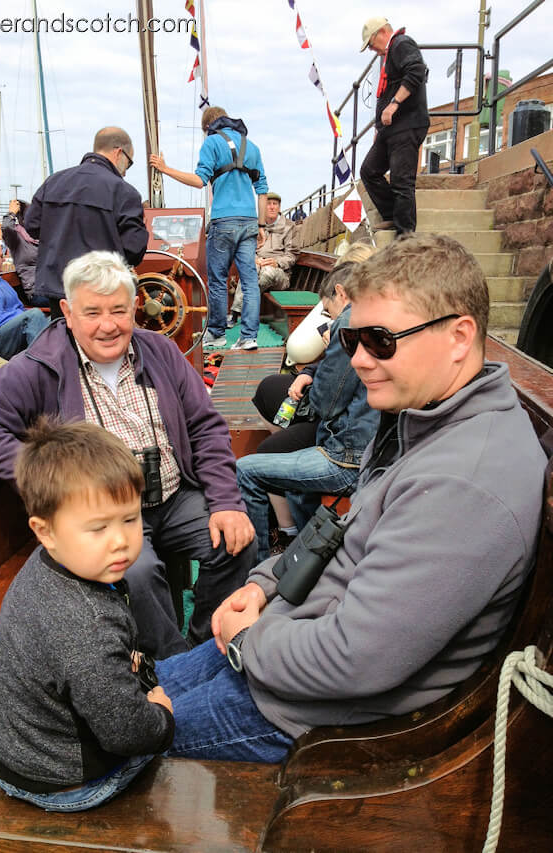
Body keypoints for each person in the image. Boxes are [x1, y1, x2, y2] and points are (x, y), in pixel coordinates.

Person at [148, 232, 547, 763]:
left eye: (380, 340)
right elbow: (339, 531)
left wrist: (249, 641)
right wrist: (266, 585)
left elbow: (356, 659)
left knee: (102, 742)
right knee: (124, 695)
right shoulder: (423, 419)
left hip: (307, 712)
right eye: (351, 339)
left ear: (459, 336)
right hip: (288, 646)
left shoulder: (464, 483)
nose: (358, 359)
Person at [0, 250, 257, 660]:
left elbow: (205, 426)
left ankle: (204, 646)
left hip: (175, 496)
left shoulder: (159, 351)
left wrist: (226, 503)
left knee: (237, 541)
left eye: (118, 311)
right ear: (68, 313)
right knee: (136, 572)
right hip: (105, 514)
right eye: (92, 313)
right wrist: (51, 469)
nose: (108, 326)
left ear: (136, 307)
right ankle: (171, 663)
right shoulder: (39, 365)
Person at [0, 418, 174, 812]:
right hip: (68, 781)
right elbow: (127, 733)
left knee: (198, 671)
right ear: (45, 530)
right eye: (98, 528)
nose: (120, 540)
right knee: (202, 712)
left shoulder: (51, 563)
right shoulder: (85, 622)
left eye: (130, 519)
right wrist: (163, 719)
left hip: (23, 752)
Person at [236, 246, 378, 561]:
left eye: (328, 310)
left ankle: (259, 566)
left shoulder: (348, 324)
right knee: (296, 486)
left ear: (341, 293)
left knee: (246, 469)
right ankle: (305, 554)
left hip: (346, 459)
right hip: (364, 449)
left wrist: (330, 351)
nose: (329, 317)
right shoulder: (378, 316)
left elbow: (326, 404)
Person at [150, 106, 268, 351]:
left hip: (224, 221)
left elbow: (199, 180)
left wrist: (165, 169)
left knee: (217, 281)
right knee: (250, 282)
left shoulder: (212, 142)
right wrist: (262, 225)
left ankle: (216, 334)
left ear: (207, 127)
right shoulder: (252, 147)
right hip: (249, 221)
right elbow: (262, 189)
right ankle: (249, 337)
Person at [25, 126, 149, 317]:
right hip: (102, 289)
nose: (125, 172)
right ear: (118, 153)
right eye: (129, 163)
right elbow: (134, 251)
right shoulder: (124, 192)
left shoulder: (53, 182)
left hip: (58, 287)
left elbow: (32, 226)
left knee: (62, 333)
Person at [359, 17, 429, 235]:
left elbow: (417, 71)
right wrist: (379, 127)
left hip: (407, 124)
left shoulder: (401, 44)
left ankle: (405, 236)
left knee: (401, 181)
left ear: (381, 32)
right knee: (369, 171)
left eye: (371, 44)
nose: (372, 50)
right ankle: (391, 215)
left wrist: (394, 104)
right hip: (389, 129)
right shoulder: (389, 55)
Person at [228, 191, 296, 328]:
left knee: (267, 272)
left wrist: (277, 262)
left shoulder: (289, 227)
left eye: (275, 204)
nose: (272, 207)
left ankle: (243, 311)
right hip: (258, 265)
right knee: (250, 270)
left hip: (280, 274)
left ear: (279, 207)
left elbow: (292, 255)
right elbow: (246, 249)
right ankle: (235, 314)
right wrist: (254, 259)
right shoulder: (255, 227)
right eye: (268, 204)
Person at [1, 199, 47, 306]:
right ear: (23, 219)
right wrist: (11, 213)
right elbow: (7, 227)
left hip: (52, 287)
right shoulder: (16, 239)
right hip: (36, 292)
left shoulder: (43, 237)